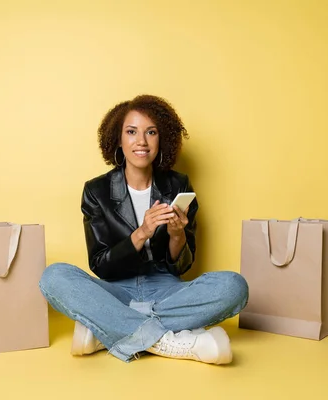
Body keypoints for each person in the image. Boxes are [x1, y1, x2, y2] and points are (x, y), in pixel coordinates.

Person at [38, 94, 248, 365]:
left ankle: (108, 329)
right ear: (118, 139)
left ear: (162, 140)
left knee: (234, 286)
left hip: (166, 289)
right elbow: (100, 265)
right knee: (53, 277)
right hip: (115, 291)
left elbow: (181, 266)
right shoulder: (96, 191)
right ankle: (169, 342)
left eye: (151, 132)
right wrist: (142, 232)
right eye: (131, 132)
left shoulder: (178, 184)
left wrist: (177, 234)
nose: (141, 141)